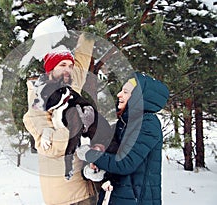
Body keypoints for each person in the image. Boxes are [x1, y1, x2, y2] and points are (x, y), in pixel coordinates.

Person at [23, 33, 97, 205]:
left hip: (86, 184)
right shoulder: (38, 101)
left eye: (70, 66)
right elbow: (48, 146)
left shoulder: (67, 86)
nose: (68, 69)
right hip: (67, 194)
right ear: (50, 70)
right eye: (62, 65)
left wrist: (88, 35)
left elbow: (81, 61)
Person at [77, 72, 169, 205]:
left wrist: (90, 154)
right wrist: (96, 167)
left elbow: (125, 163)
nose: (119, 94)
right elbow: (113, 156)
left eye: (125, 92)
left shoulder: (147, 124)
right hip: (120, 197)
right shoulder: (125, 123)